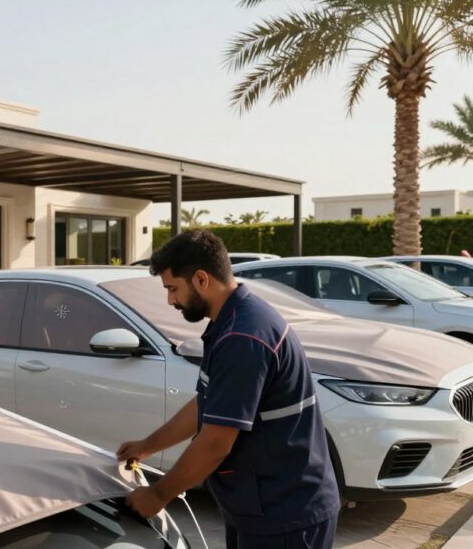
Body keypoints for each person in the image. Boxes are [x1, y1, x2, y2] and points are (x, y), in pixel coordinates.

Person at [117, 229, 339, 549]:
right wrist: (148, 445)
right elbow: (208, 403)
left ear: (202, 280)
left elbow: (215, 443)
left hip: (285, 517)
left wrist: (157, 495)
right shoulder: (232, 320)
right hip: (259, 510)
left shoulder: (242, 337)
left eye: (173, 289)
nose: (171, 300)